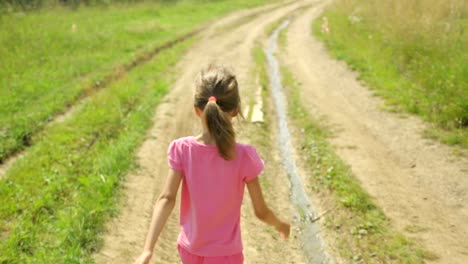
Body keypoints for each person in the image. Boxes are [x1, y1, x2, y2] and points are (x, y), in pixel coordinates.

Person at [134, 65, 290, 264]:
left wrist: (148, 250)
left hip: (190, 251)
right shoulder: (244, 156)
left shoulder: (182, 149)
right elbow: (261, 212)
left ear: (197, 111)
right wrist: (280, 224)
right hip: (226, 256)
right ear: (235, 110)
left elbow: (166, 198)